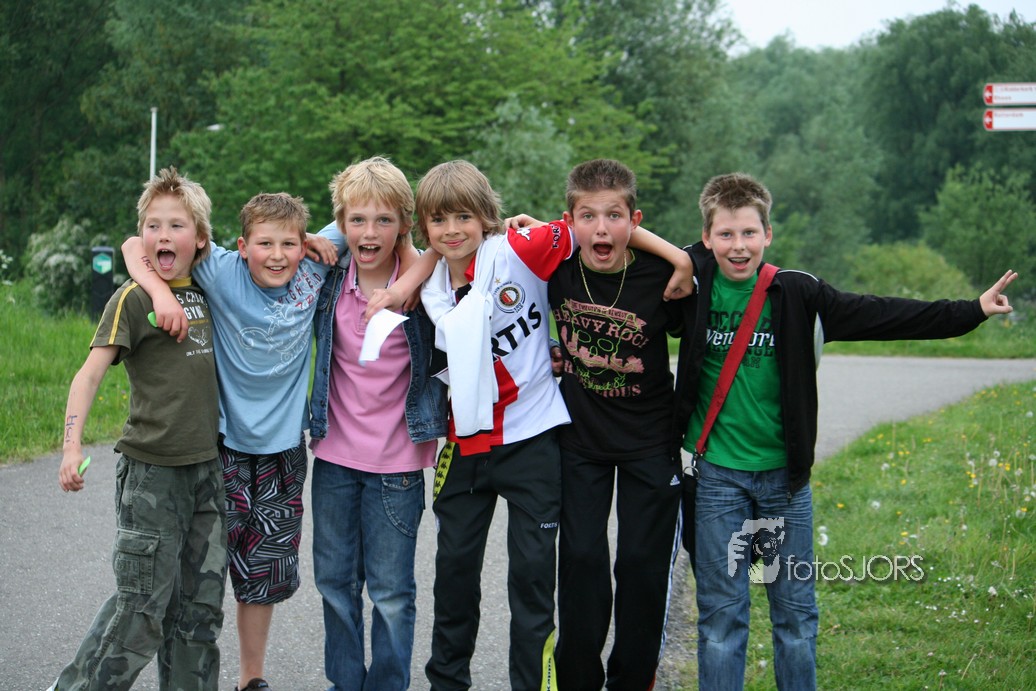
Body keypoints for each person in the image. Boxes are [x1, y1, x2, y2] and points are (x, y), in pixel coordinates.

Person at [672, 171, 1019, 691]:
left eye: (749, 233)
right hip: (718, 479)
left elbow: (882, 314)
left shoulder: (797, 292)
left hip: (785, 483)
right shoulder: (690, 287)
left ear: (768, 235)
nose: (738, 246)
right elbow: (618, 256)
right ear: (706, 239)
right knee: (722, 619)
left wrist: (970, 311)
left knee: (795, 618)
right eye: (725, 234)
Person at [123, 192, 343, 691]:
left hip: (284, 453)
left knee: (263, 575)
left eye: (288, 244)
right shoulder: (221, 270)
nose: (277, 255)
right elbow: (134, 245)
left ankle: (251, 679)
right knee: (201, 575)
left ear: (302, 245)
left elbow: (376, 227)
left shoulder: (314, 263)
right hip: (222, 449)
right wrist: (159, 293)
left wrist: (312, 239)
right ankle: (187, 679)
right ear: (242, 247)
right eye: (265, 244)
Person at [50, 167, 226, 691]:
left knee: (198, 615)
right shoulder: (133, 298)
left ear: (200, 238)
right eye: (153, 226)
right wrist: (70, 446)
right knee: (140, 611)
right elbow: (89, 375)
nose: (163, 235)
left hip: (207, 473)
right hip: (152, 476)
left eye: (176, 226)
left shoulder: (212, 289)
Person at [544, 159, 688, 691]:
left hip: (650, 440)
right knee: (581, 558)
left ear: (635, 220)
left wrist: (680, 259)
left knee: (640, 564)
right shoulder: (555, 267)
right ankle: (578, 679)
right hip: (580, 438)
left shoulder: (663, 276)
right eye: (588, 217)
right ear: (569, 221)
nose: (601, 229)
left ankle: (633, 678)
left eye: (614, 216)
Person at [307, 156, 447, 690]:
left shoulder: (424, 288)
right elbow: (275, 244)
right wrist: (316, 236)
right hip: (335, 461)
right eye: (358, 220)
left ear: (404, 225)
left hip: (398, 466)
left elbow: (455, 245)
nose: (370, 232)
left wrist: (415, 267)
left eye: (384, 220)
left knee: (390, 593)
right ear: (341, 223)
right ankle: (345, 684)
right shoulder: (328, 278)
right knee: (335, 585)